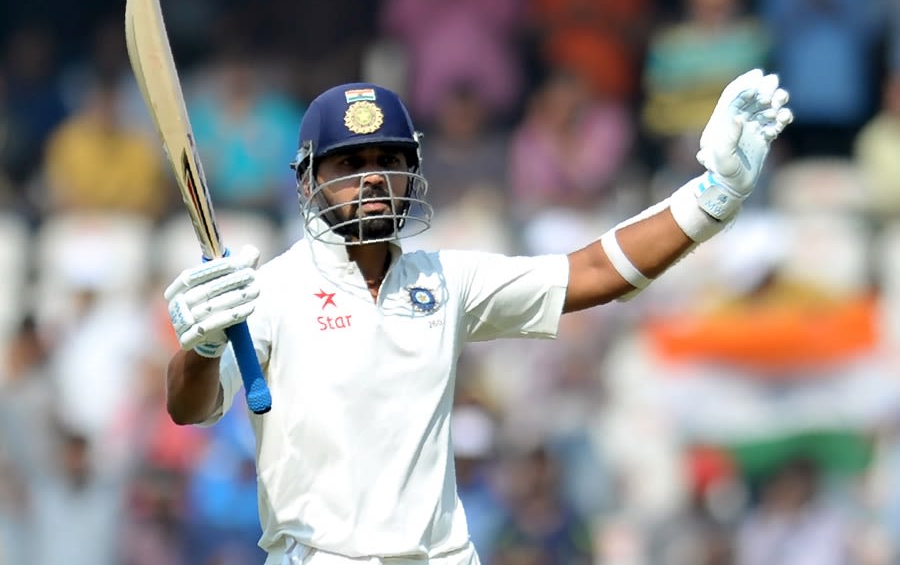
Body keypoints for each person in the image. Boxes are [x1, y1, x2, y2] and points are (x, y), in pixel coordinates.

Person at [163, 73, 793, 565]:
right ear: (307, 183)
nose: (372, 178)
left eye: (387, 159)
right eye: (349, 166)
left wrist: (717, 194)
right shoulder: (270, 290)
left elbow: (593, 274)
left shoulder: (446, 280)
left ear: (412, 171)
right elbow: (191, 408)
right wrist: (204, 342)